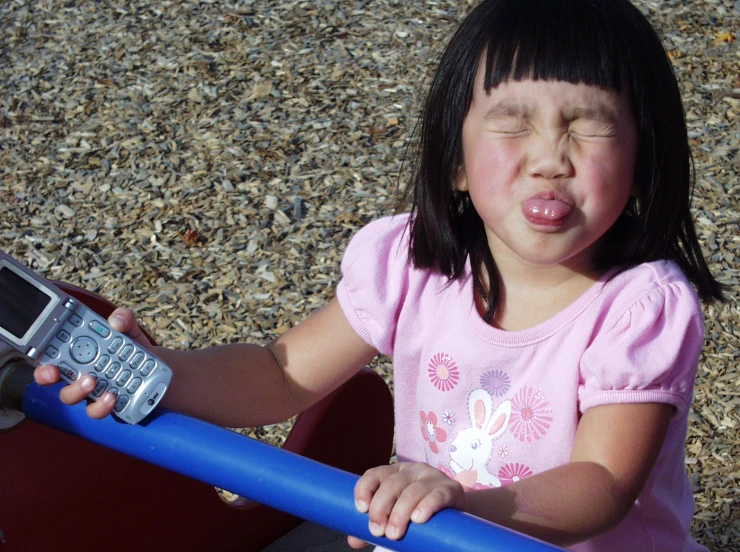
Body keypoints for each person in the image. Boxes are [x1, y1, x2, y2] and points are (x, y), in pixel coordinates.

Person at [35, 0, 726, 550]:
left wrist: (460, 506)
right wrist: (159, 372)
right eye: (512, 124)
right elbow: (280, 373)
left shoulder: (639, 308)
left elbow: (601, 484)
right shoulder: (413, 262)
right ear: (454, 161)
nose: (550, 157)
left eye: (590, 127)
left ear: (643, 164)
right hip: (431, 532)